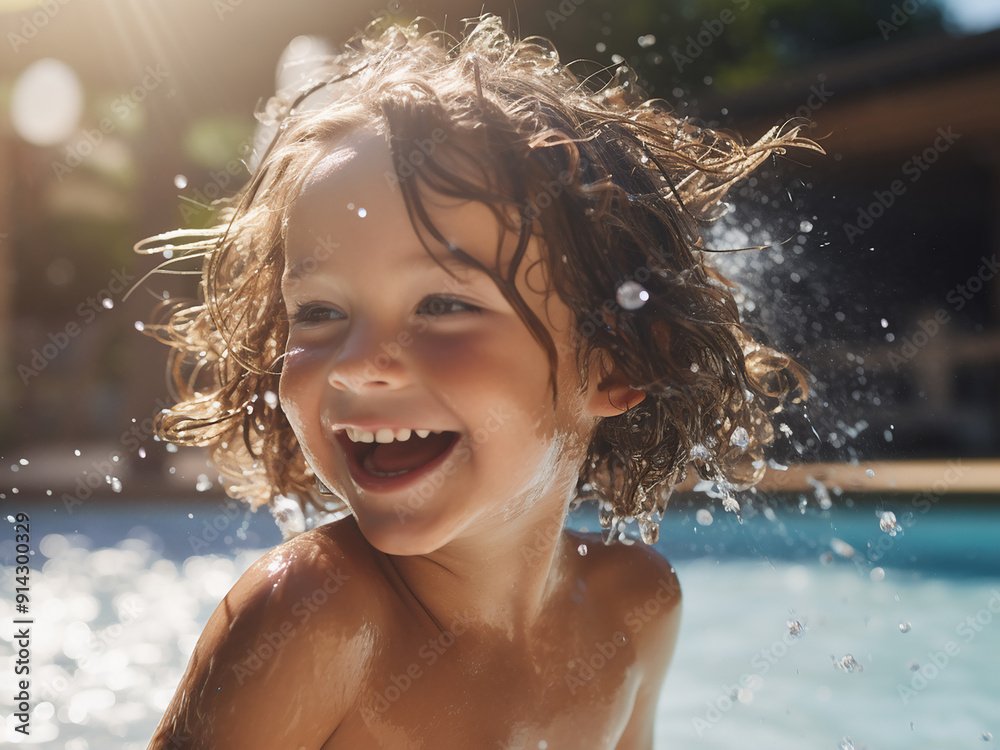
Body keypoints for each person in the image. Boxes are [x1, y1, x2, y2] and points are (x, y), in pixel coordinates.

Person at [139, 14, 814, 749]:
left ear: (617, 362)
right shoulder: (316, 617)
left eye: (444, 305)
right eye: (321, 311)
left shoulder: (637, 609)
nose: (360, 363)